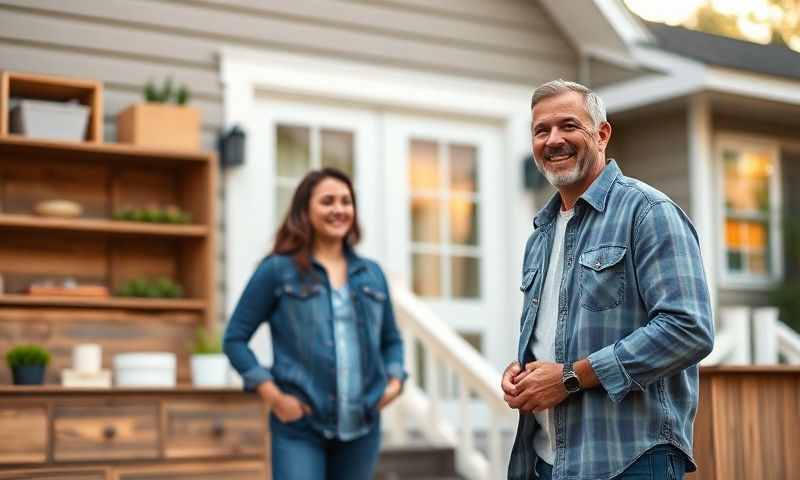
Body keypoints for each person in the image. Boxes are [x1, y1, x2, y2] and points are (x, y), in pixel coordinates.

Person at [502, 79, 714, 480]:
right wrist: (524, 373)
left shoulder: (648, 213)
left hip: (631, 460)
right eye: (541, 131)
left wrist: (568, 377)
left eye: (568, 126)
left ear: (601, 135)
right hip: (546, 462)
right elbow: (561, 333)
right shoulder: (540, 236)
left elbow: (689, 328)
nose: (553, 140)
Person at [224, 168, 406, 480]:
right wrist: (275, 398)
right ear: (305, 211)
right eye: (327, 201)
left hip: (362, 429)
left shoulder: (372, 274)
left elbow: (391, 340)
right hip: (299, 429)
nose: (339, 209)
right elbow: (234, 339)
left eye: (346, 201)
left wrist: (395, 381)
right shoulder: (277, 271)